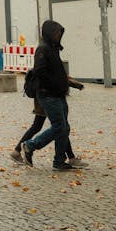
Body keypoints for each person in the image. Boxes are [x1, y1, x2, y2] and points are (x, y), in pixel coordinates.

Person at [19, 19, 80, 170]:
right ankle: (30, 145)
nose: (59, 35)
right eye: (57, 32)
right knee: (59, 126)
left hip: (58, 94)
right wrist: (54, 84)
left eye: (60, 33)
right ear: (50, 33)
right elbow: (40, 72)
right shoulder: (43, 49)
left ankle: (59, 161)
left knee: (64, 127)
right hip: (48, 95)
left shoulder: (53, 48)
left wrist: (66, 84)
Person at [12, 77, 86, 166]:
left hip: (42, 99)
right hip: (48, 99)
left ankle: (17, 151)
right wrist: (77, 84)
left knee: (47, 127)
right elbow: (59, 77)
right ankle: (70, 158)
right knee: (60, 127)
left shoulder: (40, 65)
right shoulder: (47, 65)